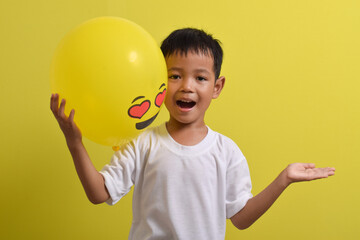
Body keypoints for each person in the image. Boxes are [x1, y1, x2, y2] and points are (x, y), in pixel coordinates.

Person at [50, 28, 335, 240]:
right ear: (158, 80)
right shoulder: (143, 144)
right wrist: (75, 143)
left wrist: (283, 179)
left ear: (217, 86)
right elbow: (99, 193)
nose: (187, 86)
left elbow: (241, 218)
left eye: (200, 78)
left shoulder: (226, 151)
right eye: (174, 76)